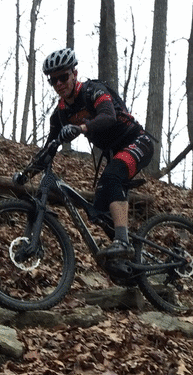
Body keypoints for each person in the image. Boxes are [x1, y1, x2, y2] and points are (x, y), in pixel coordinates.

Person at [39, 48, 154, 258]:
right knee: (98, 211)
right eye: (53, 80)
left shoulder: (93, 90)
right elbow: (49, 146)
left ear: (74, 73)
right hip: (114, 152)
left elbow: (108, 116)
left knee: (111, 177)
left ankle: (123, 243)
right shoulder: (61, 113)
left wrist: (81, 128)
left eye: (63, 77)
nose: (58, 84)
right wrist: (29, 169)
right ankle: (131, 258)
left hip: (138, 141)